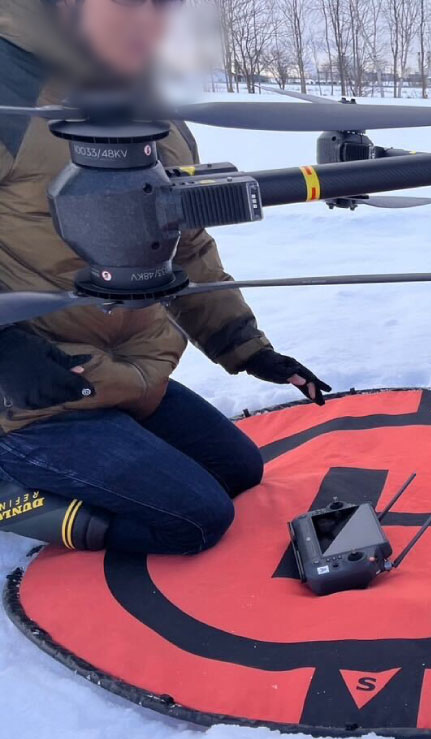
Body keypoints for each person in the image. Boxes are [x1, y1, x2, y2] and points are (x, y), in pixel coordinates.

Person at [0, 0, 329, 554]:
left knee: (239, 471)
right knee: (195, 521)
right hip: (34, 393)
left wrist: (247, 348)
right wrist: (7, 354)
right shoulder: (10, 89)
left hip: (124, 377)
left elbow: (186, 243)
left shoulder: (149, 105)